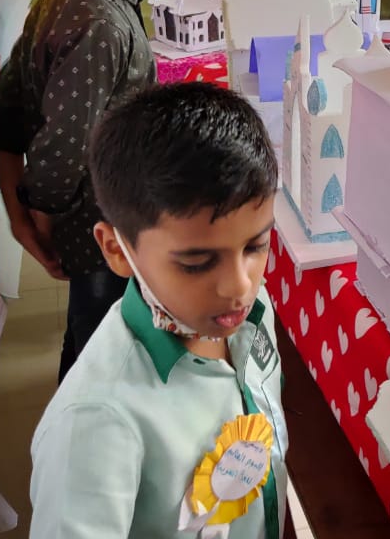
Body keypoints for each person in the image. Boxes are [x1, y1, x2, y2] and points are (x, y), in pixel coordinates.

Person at [29, 83, 287, 539]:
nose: (240, 285)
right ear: (116, 250)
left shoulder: (252, 312)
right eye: (197, 263)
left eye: (256, 246)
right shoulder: (97, 422)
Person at [0, 0, 188, 382]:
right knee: (102, 359)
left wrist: (23, 213)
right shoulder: (99, 20)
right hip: (99, 232)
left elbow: (13, 99)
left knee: (85, 343)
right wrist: (38, 220)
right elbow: (61, 149)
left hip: (96, 227)